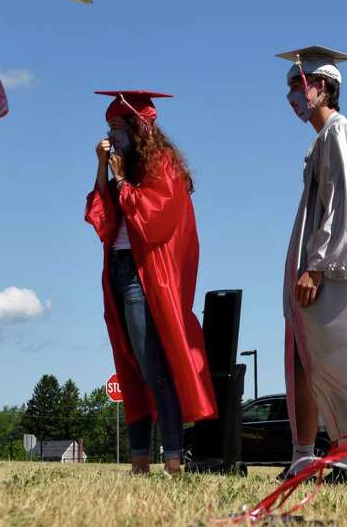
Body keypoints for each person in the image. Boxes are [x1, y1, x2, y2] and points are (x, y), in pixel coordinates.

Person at [85, 90, 216, 476]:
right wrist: (103, 169)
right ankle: (139, 462)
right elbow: (103, 219)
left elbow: (152, 221)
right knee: (130, 368)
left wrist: (123, 179)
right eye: (108, 127)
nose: (111, 135)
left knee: (153, 368)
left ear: (137, 128)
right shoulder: (123, 165)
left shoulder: (162, 164)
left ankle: (173, 461)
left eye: (116, 127)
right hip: (118, 270)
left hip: (145, 280)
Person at [277, 47, 347, 486]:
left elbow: (342, 206)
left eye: (296, 85)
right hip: (323, 263)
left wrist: (317, 266)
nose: (290, 96)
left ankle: (346, 462)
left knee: (340, 359)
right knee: (306, 359)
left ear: (320, 87)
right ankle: (305, 457)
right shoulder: (323, 139)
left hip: (336, 268)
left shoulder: (341, 135)